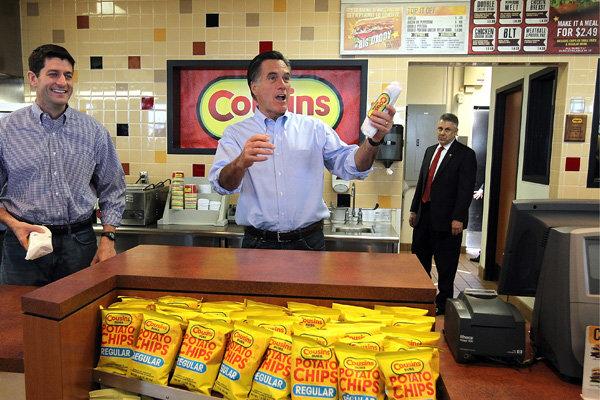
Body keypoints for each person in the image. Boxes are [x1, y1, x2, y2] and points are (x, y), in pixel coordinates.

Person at [209, 51, 395, 250]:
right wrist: (240, 162)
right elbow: (222, 185)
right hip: (257, 243)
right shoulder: (236, 134)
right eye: (272, 78)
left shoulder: (314, 129)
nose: (283, 85)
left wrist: (374, 140)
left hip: (308, 242)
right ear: (254, 88)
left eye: (286, 78)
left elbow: (352, 167)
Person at [0, 44, 126, 286]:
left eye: (68, 76)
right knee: (19, 317)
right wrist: (14, 225)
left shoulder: (93, 131)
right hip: (23, 245)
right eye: (53, 74)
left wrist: (108, 239)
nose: (63, 82)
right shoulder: (7, 131)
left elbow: (113, 188)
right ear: (33, 79)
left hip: (78, 243)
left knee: (80, 317)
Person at [409, 113, 476, 315]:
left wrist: (459, 218)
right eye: (440, 129)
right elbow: (422, 183)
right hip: (424, 215)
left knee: (446, 264)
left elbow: (465, 190)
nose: (442, 133)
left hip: (448, 220)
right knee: (419, 259)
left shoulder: (465, 154)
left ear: (455, 131)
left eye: (447, 130)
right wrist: (414, 209)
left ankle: (443, 302)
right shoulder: (430, 151)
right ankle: (422, 297)